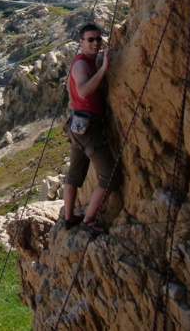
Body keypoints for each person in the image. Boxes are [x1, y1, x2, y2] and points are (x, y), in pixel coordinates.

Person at [62, 23, 120, 236]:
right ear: (81, 42)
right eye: (90, 40)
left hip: (77, 127)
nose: (96, 43)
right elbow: (84, 91)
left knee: (74, 176)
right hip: (88, 129)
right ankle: (88, 220)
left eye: (98, 39)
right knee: (110, 176)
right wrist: (104, 69)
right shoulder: (80, 64)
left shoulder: (87, 61)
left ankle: (69, 218)